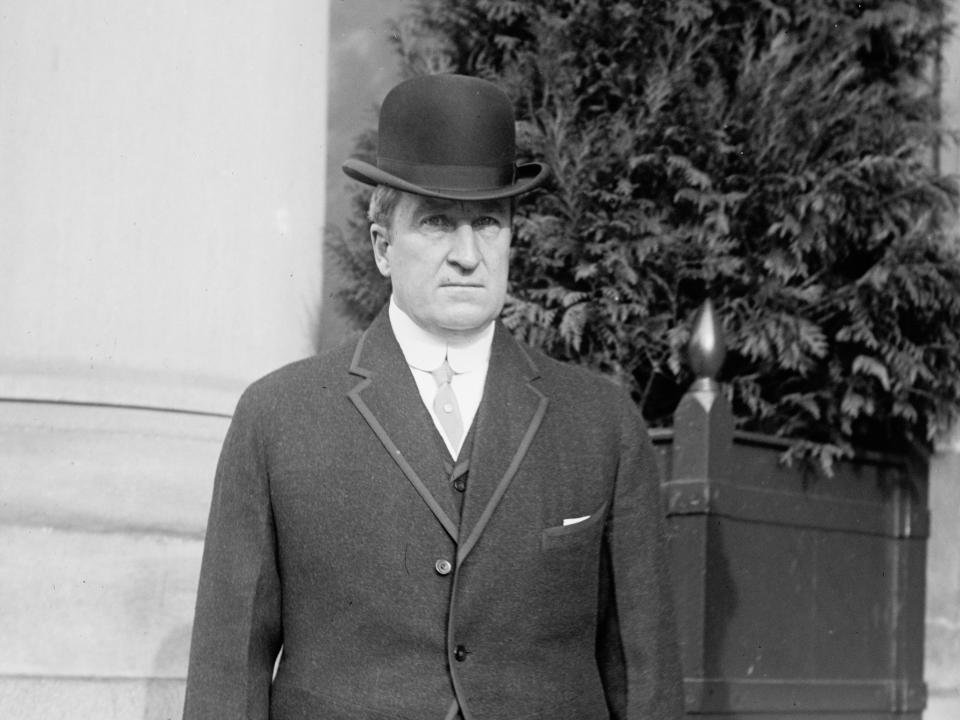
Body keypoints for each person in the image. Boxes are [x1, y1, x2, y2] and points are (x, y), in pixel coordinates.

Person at [183, 73, 683, 720]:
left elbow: (644, 682)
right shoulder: (278, 419)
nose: (468, 255)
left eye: (488, 224)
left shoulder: (601, 425)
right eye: (438, 224)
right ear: (382, 247)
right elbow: (228, 675)